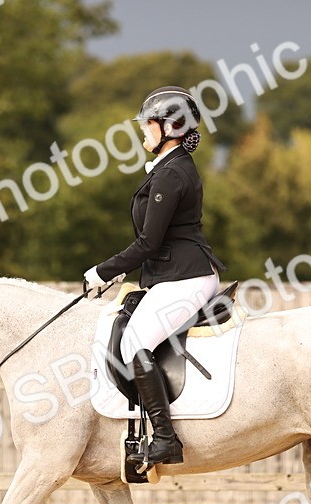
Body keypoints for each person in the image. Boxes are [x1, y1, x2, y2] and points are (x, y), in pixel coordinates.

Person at [83, 86, 226, 466]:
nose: (143, 131)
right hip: (175, 274)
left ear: (171, 128)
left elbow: (148, 242)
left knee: (134, 344)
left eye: (148, 124)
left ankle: (165, 438)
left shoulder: (171, 174)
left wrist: (102, 272)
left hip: (186, 278)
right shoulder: (171, 167)